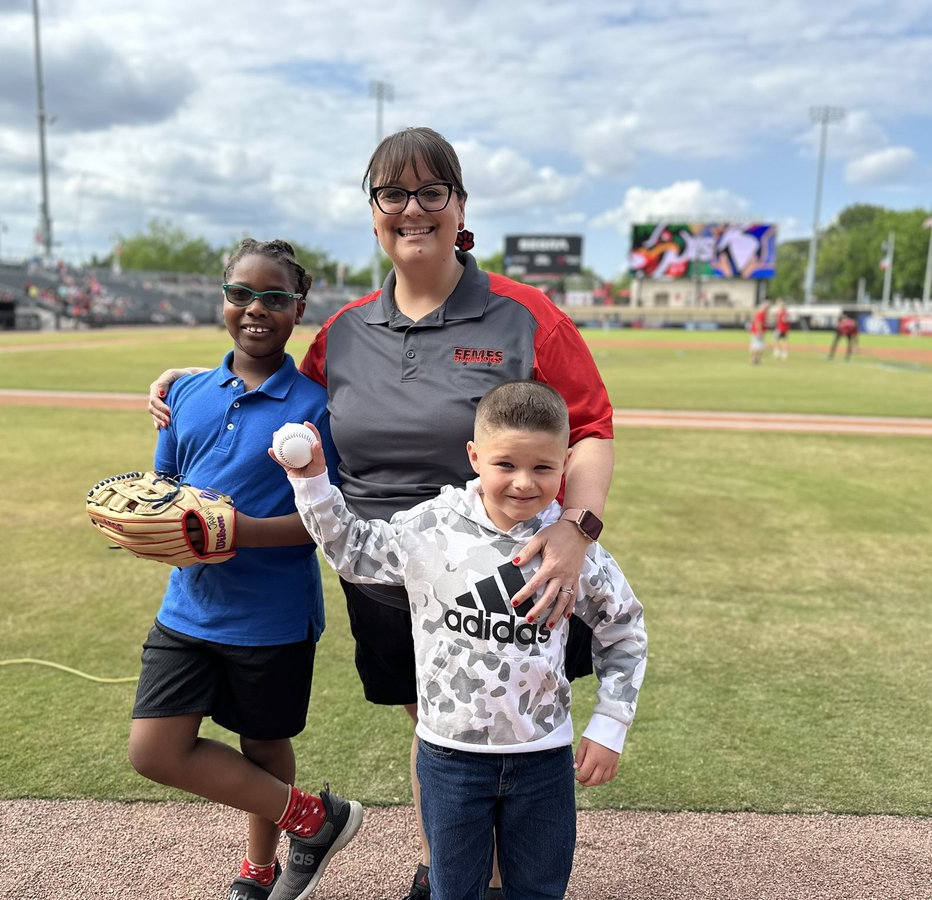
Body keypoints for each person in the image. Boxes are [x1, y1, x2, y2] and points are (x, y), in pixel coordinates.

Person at [149, 126, 615, 900]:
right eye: (393, 194)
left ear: (460, 206)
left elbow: (592, 429)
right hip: (384, 574)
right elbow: (276, 393)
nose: (413, 209)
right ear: (373, 212)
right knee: (433, 725)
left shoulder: (526, 317)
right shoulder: (344, 333)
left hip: (514, 575)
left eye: (432, 192)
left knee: (508, 730)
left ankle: (499, 875)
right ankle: (449, 866)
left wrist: (577, 530)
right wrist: (190, 382)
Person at [272, 380, 647, 900]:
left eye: (543, 468)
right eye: (506, 465)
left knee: (539, 889)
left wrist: (610, 724)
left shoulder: (569, 546)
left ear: (565, 466)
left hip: (543, 756)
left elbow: (623, 627)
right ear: (474, 456)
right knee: (453, 889)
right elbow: (355, 552)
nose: (523, 482)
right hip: (450, 758)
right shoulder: (431, 527)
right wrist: (312, 482)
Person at [128, 238, 362, 900]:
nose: (256, 309)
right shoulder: (187, 393)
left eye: (274, 298)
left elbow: (329, 521)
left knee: (263, 745)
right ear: (223, 300)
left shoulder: (316, 406)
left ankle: (259, 870)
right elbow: (165, 492)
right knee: (154, 750)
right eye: (242, 294)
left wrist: (237, 531)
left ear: (298, 309)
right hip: (188, 608)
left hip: (273, 616)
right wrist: (148, 528)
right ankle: (315, 820)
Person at [748, 299, 769, 365]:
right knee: (756, 346)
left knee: (759, 346)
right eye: (767, 307)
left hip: (757, 332)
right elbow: (758, 323)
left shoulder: (763, 313)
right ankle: (754, 359)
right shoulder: (761, 313)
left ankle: (757, 359)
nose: (768, 309)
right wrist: (760, 332)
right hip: (757, 332)